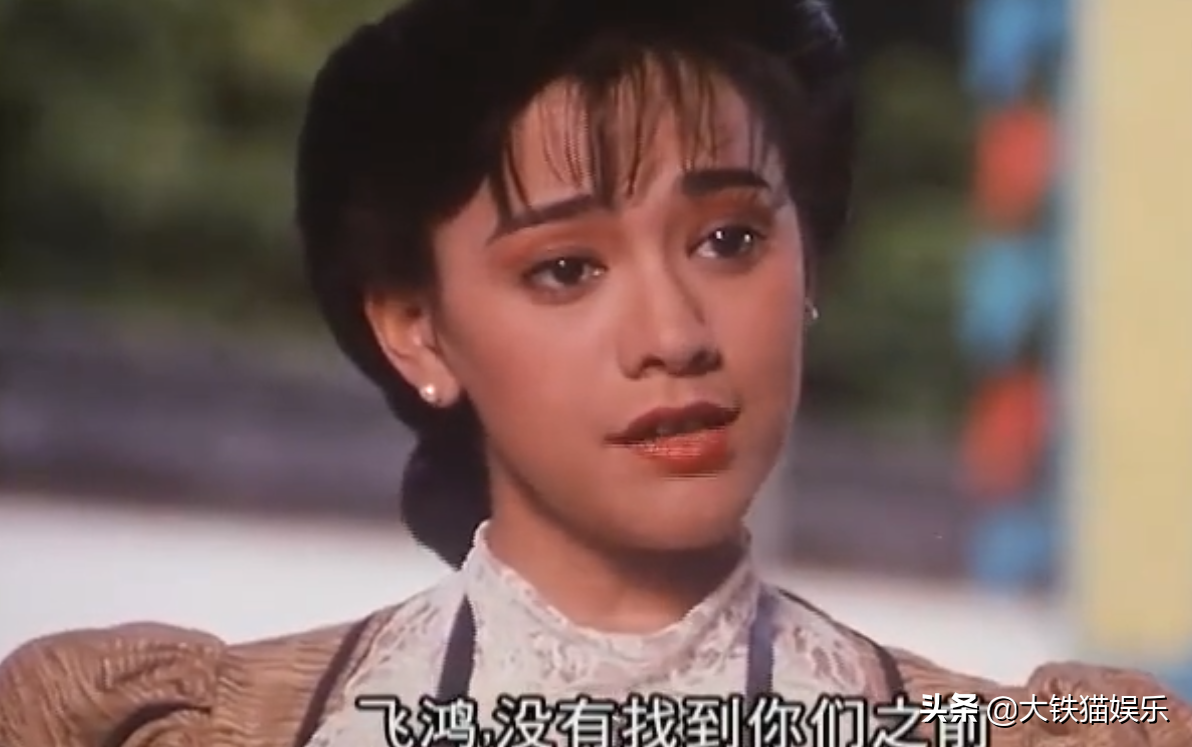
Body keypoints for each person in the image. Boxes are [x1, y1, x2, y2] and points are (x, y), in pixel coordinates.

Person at [0, 0, 1187, 745]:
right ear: (415, 329)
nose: (672, 332)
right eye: (565, 268)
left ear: (807, 263)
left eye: (729, 239)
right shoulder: (198, 729)